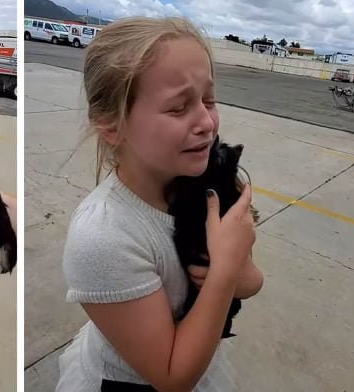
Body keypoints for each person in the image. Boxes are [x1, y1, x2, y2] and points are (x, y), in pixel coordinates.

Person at [56, 16, 263, 391]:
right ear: (111, 125)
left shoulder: (209, 186)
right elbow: (171, 376)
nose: (206, 122)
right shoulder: (102, 238)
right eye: (178, 108)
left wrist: (236, 268)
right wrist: (223, 274)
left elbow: (250, 282)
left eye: (208, 99)